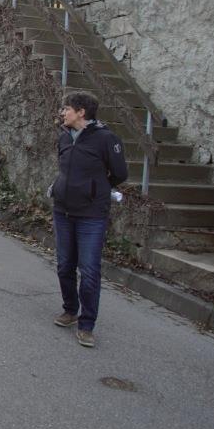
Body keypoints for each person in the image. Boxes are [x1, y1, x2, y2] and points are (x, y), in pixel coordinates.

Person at [49, 92, 128, 348]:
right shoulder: (64, 137)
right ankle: (70, 310)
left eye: (67, 108)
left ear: (81, 112)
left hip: (91, 216)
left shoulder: (105, 139)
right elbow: (64, 167)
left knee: (90, 271)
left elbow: (119, 173)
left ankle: (86, 324)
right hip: (63, 211)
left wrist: (95, 189)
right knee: (64, 265)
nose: (63, 112)